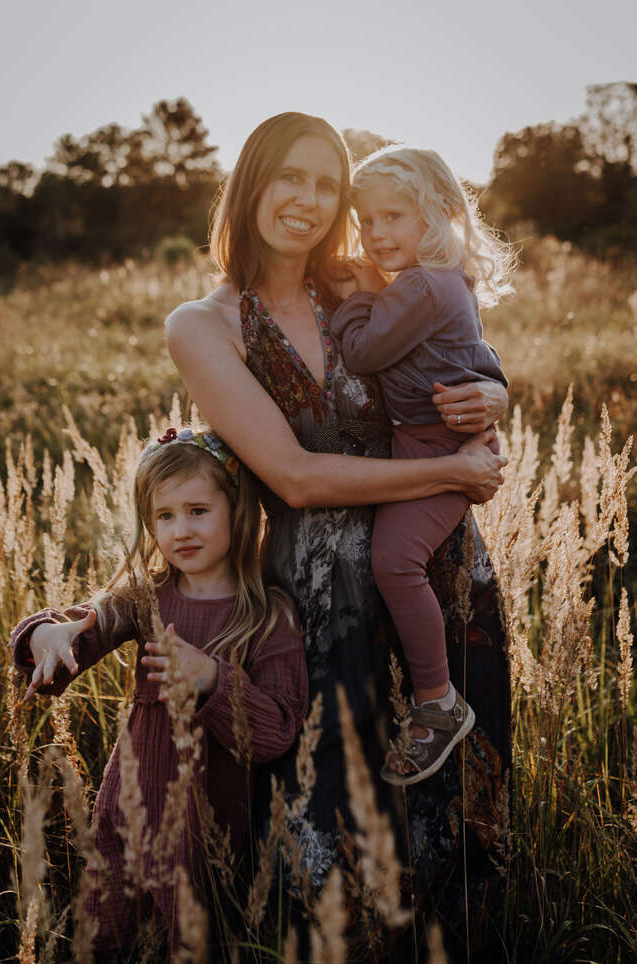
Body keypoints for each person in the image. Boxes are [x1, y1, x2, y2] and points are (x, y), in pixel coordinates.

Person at [165, 112, 510, 913]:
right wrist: (454, 470)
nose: (310, 199)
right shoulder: (204, 324)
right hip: (317, 609)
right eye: (291, 176)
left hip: (436, 572)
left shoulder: (360, 281)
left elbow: (456, 341)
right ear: (252, 183)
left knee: (452, 840)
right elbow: (295, 478)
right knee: (330, 852)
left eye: (328, 184)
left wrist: (495, 392)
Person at [10, 429, 308, 952]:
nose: (180, 530)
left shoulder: (266, 615)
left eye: (198, 510)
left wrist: (212, 679)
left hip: (208, 832)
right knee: (111, 946)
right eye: (164, 516)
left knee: (190, 958)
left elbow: (279, 730)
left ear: (237, 510)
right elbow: (79, 631)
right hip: (127, 812)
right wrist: (44, 635)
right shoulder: (145, 599)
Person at [331, 146, 513, 787]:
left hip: (438, 451)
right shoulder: (445, 279)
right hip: (430, 443)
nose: (377, 234)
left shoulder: (419, 285)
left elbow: (362, 352)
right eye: (367, 219)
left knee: (394, 562)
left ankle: (437, 702)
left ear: (435, 214)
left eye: (394, 217)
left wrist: (355, 298)